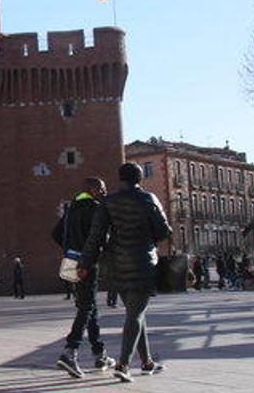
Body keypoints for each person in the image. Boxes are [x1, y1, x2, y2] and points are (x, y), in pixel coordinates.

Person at [78, 163, 171, 383]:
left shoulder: (108, 202)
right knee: (135, 314)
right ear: (139, 178)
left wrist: (84, 262)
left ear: (120, 178)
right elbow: (164, 230)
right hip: (143, 261)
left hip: (117, 263)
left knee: (135, 312)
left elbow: (96, 236)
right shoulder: (149, 199)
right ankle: (124, 364)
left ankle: (147, 361)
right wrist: (148, 239)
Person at [52, 177, 116, 378]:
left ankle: (100, 354)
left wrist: (70, 249)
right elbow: (101, 238)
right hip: (87, 262)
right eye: (102, 189)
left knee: (89, 306)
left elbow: (55, 233)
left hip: (71, 261)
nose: (105, 192)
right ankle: (70, 352)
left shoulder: (71, 208)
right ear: (94, 189)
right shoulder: (96, 209)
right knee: (86, 307)